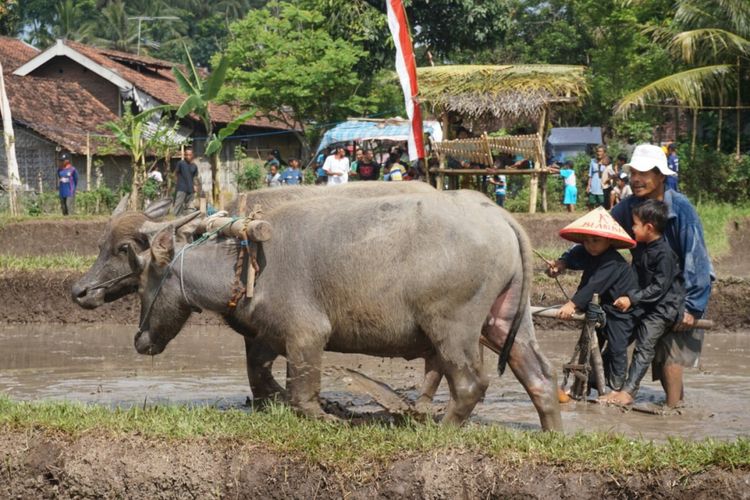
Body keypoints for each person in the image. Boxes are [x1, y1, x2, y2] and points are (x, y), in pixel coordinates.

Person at [557, 144, 713, 408]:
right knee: (617, 337)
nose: (637, 179)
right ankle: (604, 388)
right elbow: (600, 235)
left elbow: (696, 258)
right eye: (633, 173)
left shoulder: (681, 208)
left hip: (674, 293)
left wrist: (692, 307)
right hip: (639, 290)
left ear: (661, 176)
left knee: (667, 353)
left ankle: (674, 410)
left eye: (644, 173)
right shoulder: (629, 206)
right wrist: (565, 260)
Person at [603, 200, 686, 406]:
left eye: (635, 225)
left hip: (663, 308)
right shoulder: (641, 248)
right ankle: (602, 383)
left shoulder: (665, 254)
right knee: (619, 336)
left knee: (644, 345)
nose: (632, 228)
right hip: (645, 304)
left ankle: (628, 392)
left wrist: (632, 298)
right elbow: (636, 277)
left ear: (649, 228)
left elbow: (659, 288)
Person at [547, 208, 639, 391]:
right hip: (599, 308)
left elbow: (594, 286)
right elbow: (571, 256)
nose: (591, 245)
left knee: (616, 349)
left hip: (622, 312)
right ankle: (584, 385)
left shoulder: (613, 261)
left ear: (609, 240)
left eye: (596, 240)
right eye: (587, 241)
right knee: (587, 345)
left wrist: (572, 305)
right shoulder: (587, 251)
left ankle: (617, 388)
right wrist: (559, 265)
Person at [172, 148, 200, 215]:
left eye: (189, 155)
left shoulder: (194, 166)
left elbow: (195, 177)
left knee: (189, 208)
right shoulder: (181, 163)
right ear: (184, 155)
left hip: (191, 189)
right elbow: (175, 173)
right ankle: (174, 221)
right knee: (178, 206)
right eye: (186, 155)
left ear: (192, 155)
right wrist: (177, 183)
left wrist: (195, 186)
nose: (188, 156)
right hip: (181, 188)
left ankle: (186, 221)